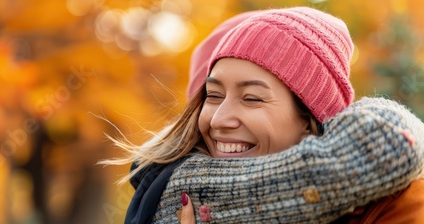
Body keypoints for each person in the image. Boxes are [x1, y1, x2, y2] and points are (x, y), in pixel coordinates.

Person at [100, 7, 424, 223]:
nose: (218, 119)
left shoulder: (396, 206)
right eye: (212, 95)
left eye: (252, 98)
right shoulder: (167, 198)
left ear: (311, 123)